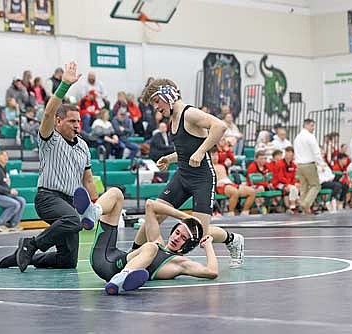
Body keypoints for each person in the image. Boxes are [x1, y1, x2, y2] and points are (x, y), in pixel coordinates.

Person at [0, 61, 98, 272]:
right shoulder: (49, 139)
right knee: (73, 219)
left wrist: (95, 206)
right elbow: (47, 113)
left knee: (67, 261)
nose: (77, 125)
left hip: (71, 201)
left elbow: (88, 179)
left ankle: (24, 257)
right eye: (72, 121)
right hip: (48, 198)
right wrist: (64, 86)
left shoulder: (83, 146)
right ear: (58, 122)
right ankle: (31, 245)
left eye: (78, 121)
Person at [140, 79, 244, 267]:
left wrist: (202, 151)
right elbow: (186, 149)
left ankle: (232, 239)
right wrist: (170, 159)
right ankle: (133, 253)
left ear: (167, 95)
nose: (156, 108)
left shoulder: (190, 113)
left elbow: (220, 126)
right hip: (183, 175)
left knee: (200, 234)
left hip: (201, 179)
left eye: (157, 101)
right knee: (153, 213)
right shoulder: (174, 118)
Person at [72, 186, 218, 295]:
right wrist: (184, 217)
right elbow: (150, 205)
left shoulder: (181, 263)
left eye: (183, 238)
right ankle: (94, 212)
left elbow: (212, 272)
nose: (176, 238)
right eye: (177, 233)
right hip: (105, 255)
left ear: (188, 246)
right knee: (116, 193)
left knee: (151, 247)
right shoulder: (158, 241)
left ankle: (122, 278)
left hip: (113, 269)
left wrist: (208, 245)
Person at [0, 151, 26, 232]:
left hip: (4, 195)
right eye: (3, 155)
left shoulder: (3, 169)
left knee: (22, 200)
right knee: (15, 204)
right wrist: (9, 191)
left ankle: (14, 224)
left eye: (6, 155)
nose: (6, 157)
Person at [212, 147, 256, 216]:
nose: (215, 157)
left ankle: (245, 212)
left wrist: (227, 149)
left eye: (216, 155)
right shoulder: (209, 167)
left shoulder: (222, 165)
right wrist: (216, 184)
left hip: (229, 184)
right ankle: (231, 212)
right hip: (220, 186)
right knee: (234, 192)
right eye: (213, 155)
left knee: (252, 191)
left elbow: (232, 160)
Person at [293, 119, 325, 214]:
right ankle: (305, 203)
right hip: (309, 164)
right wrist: (321, 164)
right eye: (312, 125)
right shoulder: (310, 137)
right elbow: (316, 152)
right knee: (316, 185)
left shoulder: (297, 137)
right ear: (306, 125)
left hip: (299, 165)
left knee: (304, 186)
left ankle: (304, 207)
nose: (313, 128)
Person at [272, 146, 299, 214]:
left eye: (290, 154)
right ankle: (292, 207)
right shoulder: (279, 163)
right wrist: (288, 184)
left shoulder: (293, 165)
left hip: (288, 183)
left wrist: (293, 183)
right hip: (278, 183)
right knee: (293, 188)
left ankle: (293, 205)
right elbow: (280, 178)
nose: (288, 155)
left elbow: (294, 177)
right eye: (287, 153)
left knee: (297, 186)